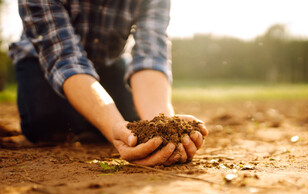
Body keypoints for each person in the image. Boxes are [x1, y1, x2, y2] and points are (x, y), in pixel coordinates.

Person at [9, 0, 208, 166]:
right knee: (50, 124)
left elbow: (151, 55)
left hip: (109, 62)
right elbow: (65, 60)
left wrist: (163, 126)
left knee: (132, 120)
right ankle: (83, 120)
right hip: (42, 63)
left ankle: (90, 120)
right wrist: (111, 125)